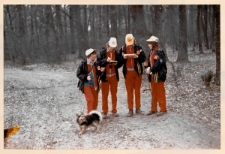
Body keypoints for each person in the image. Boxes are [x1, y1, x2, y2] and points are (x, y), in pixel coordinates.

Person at [119, 34, 146, 117]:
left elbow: (143, 58)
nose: (130, 44)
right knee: (129, 91)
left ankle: (138, 108)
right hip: (128, 73)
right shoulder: (123, 49)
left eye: (131, 42)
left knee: (137, 90)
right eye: (128, 43)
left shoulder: (138, 48)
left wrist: (137, 56)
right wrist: (123, 58)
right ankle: (130, 109)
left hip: (137, 72)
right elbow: (119, 63)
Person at [97, 37, 123, 119]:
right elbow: (98, 62)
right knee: (105, 94)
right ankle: (104, 111)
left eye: (114, 46)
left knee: (114, 94)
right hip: (105, 77)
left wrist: (117, 64)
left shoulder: (116, 52)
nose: (113, 48)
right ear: (108, 45)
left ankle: (114, 110)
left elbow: (121, 62)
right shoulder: (102, 52)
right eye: (111, 46)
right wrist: (105, 61)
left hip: (114, 76)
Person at [144, 35, 167, 116]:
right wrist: (146, 68)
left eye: (150, 43)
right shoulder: (151, 52)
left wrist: (151, 69)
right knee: (153, 92)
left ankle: (163, 109)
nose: (148, 45)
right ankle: (153, 109)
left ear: (154, 44)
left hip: (159, 75)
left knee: (160, 91)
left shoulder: (160, 52)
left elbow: (159, 64)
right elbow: (148, 63)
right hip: (153, 75)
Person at [76, 48, 100, 114]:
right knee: (90, 100)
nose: (95, 55)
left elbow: (98, 74)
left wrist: (101, 70)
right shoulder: (83, 64)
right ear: (90, 55)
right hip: (86, 85)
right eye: (93, 54)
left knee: (95, 101)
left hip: (94, 85)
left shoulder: (95, 64)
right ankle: (90, 116)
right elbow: (78, 74)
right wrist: (85, 77)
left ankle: (94, 115)